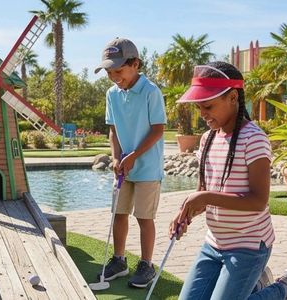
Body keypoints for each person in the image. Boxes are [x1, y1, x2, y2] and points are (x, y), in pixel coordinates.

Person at [169, 61, 287, 300]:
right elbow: (204, 192)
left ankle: (285, 288)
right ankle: (255, 284)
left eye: (208, 106)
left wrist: (205, 197)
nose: (203, 114)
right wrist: (188, 211)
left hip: (248, 246)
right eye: (199, 107)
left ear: (233, 98)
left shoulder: (253, 139)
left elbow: (258, 201)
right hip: (214, 244)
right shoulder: (207, 140)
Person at [93, 37, 167, 288]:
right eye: (109, 72)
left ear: (135, 63)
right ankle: (119, 260)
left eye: (119, 70)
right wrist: (116, 157)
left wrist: (134, 155)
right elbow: (113, 130)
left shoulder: (150, 91)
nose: (114, 76)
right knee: (119, 213)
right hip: (123, 166)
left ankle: (146, 265)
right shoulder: (112, 94)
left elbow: (158, 129)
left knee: (144, 217)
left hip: (147, 167)